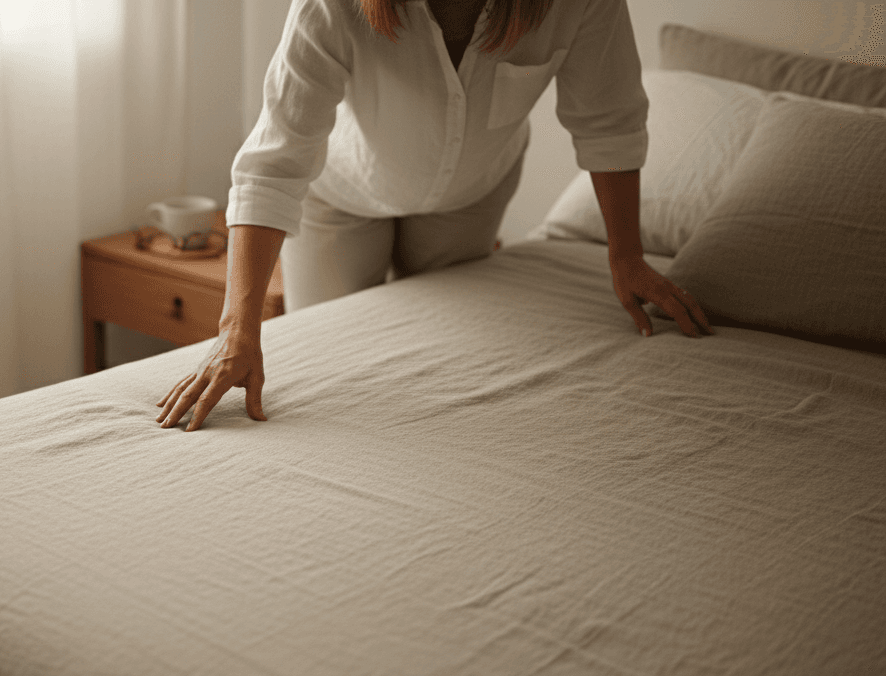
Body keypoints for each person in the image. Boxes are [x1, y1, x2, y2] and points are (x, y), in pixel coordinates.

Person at [157, 0, 712, 432]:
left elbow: (608, 122)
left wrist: (627, 255)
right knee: (332, 363)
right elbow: (273, 164)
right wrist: (237, 329)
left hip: (471, 194)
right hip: (343, 194)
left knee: (445, 359)